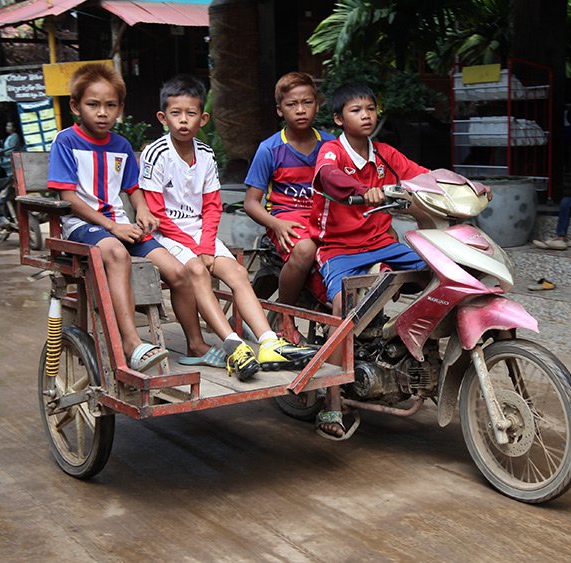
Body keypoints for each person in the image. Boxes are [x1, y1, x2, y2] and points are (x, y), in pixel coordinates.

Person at [140, 74, 316, 382]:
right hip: (166, 234)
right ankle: (233, 345)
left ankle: (268, 342)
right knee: (196, 270)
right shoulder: (156, 153)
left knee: (236, 273)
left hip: (199, 232)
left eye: (191, 114)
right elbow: (156, 213)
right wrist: (198, 250)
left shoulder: (206, 154)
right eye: (176, 114)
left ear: (203, 118)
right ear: (162, 117)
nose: (183, 121)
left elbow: (211, 206)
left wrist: (206, 245)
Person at [46, 63, 215, 373]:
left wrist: (144, 210)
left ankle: (196, 343)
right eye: (93, 105)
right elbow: (68, 199)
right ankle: (130, 341)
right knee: (115, 252)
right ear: (75, 106)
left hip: (121, 226)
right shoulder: (66, 142)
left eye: (110, 105)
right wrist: (111, 225)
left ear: (120, 108)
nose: (102, 113)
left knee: (178, 272)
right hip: (82, 227)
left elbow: (134, 188)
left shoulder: (121, 146)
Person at [309, 83, 432, 439]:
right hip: (339, 249)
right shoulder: (331, 152)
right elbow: (329, 178)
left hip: (383, 244)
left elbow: (421, 175)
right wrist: (361, 192)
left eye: (370, 109)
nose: (366, 115)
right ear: (338, 118)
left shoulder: (385, 155)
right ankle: (332, 402)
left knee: (438, 267)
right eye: (356, 110)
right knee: (340, 308)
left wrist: (464, 186)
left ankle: (406, 344)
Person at [243, 72, 336, 343]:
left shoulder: (331, 144)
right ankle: (287, 318)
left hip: (326, 219)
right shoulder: (269, 150)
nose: (300, 110)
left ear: (317, 105)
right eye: (292, 104)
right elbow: (251, 202)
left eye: (307, 102)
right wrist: (276, 224)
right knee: (306, 248)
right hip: (288, 221)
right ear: (279, 110)